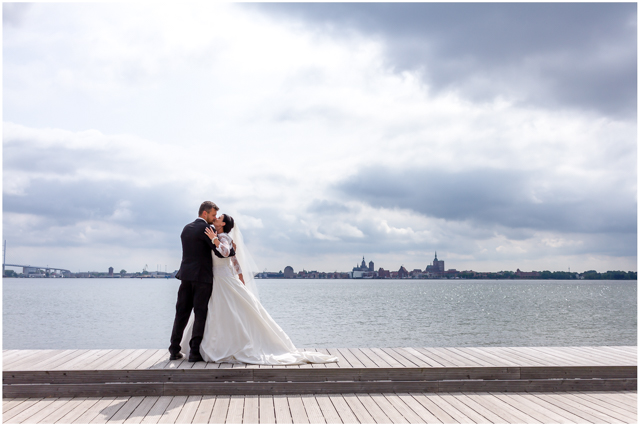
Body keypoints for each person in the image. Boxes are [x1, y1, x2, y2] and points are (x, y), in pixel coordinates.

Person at [180, 213, 338, 365]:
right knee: (213, 313)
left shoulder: (223, 237)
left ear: (223, 224)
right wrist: (240, 276)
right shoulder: (214, 235)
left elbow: (226, 252)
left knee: (225, 313)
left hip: (223, 281)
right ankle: (205, 346)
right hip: (215, 280)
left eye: (219, 218)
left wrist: (214, 239)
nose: (215, 218)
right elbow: (234, 261)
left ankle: (223, 346)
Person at [169, 201, 235, 362]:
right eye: (213, 215)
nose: (214, 219)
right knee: (200, 314)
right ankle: (194, 352)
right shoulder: (208, 229)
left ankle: (174, 349)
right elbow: (220, 253)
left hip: (185, 277)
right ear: (204, 214)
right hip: (202, 279)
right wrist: (231, 249)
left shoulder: (186, 229)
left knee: (181, 313)